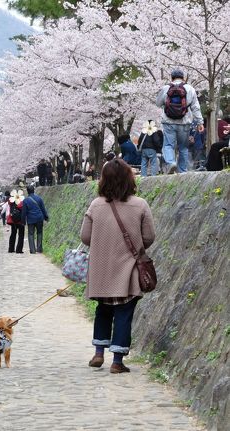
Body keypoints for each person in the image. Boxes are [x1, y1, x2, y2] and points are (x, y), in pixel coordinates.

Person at [80, 159, 156, 374]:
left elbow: (85, 237)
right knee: (123, 312)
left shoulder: (96, 205)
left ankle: (98, 352)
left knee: (103, 310)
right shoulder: (140, 204)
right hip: (128, 269)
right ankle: (117, 361)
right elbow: (149, 237)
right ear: (129, 178)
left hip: (101, 269)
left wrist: (102, 242)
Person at [156, 69, 205, 174]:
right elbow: (195, 107)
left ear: (171, 77)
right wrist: (200, 122)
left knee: (168, 145)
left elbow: (158, 103)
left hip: (169, 122)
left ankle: (171, 163)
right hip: (185, 122)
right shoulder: (190, 89)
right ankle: (182, 170)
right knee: (183, 147)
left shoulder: (166, 88)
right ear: (183, 78)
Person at [21, 185, 49, 254]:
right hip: (39, 218)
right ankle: (39, 249)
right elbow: (43, 209)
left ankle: (32, 250)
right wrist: (46, 217)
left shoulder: (25, 201)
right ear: (34, 190)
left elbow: (24, 212)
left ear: (27, 192)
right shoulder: (39, 199)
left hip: (31, 219)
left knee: (31, 234)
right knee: (39, 232)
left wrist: (23, 221)